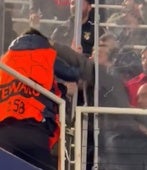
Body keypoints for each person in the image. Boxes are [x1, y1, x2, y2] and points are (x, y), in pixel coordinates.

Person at [0, 27, 95, 170]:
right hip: (35, 130)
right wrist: (77, 57)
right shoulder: (46, 53)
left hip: (4, 130)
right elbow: (72, 74)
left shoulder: (4, 61)